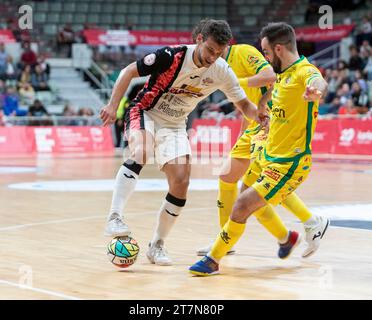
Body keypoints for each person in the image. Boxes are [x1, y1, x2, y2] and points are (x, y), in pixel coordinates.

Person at [100, 19, 266, 266]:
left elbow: (243, 106)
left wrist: (261, 117)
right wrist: (113, 105)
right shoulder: (172, 55)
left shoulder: (221, 70)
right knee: (141, 151)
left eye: (219, 52)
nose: (213, 57)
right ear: (199, 39)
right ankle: (114, 216)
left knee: (181, 181)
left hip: (175, 124)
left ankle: (157, 245)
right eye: (210, 50)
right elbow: (128, 71)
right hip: (145, 111)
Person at [190, 22, 328, 276]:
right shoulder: (284, 75)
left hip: (289, 161)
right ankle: (287, 237)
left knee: (243, 204)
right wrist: (262, 111)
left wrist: (316, 90)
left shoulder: (303, 72)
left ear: (277, 49)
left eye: (265, 52)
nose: (264, 57)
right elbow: (269, 95)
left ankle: (213, 259)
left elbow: (317, 79)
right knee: (243, 198)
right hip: (268, 154)